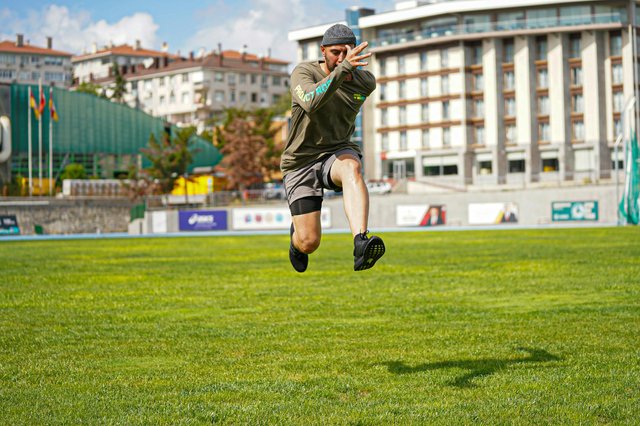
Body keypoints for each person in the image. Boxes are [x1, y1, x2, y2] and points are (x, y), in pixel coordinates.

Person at [281, 24, 385, 273]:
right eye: (335, 52)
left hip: (336, 152)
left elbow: (350, 83)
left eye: (346, 52)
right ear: (323, 51)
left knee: (352, 167)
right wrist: (345, 69)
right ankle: (295, 240)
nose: (341, 58)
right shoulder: (303, 72)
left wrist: (347, 71)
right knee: (309, 242)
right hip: (300, 161)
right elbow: (310, 102)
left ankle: (361, 241)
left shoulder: (365, 83)